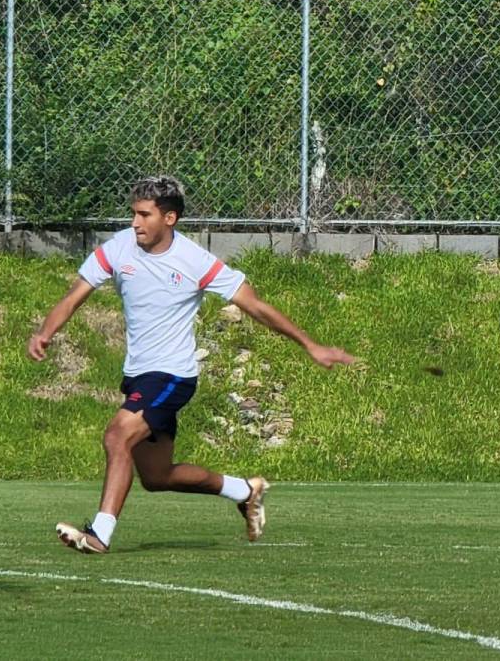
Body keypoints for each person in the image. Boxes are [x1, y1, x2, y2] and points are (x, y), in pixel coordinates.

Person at [30, 175, 353, 555]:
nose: (135, 223)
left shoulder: (195, 261)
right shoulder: (118, 248)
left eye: (144, 215)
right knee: (157, 476)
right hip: (139, 374)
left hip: (171, 376)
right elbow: (75, 295)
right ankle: (246, 490)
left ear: (169, 219)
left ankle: (99, 533)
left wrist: (310, 345)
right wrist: (45, 332)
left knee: (117, 436)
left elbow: (257, 307)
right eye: (133, 214)